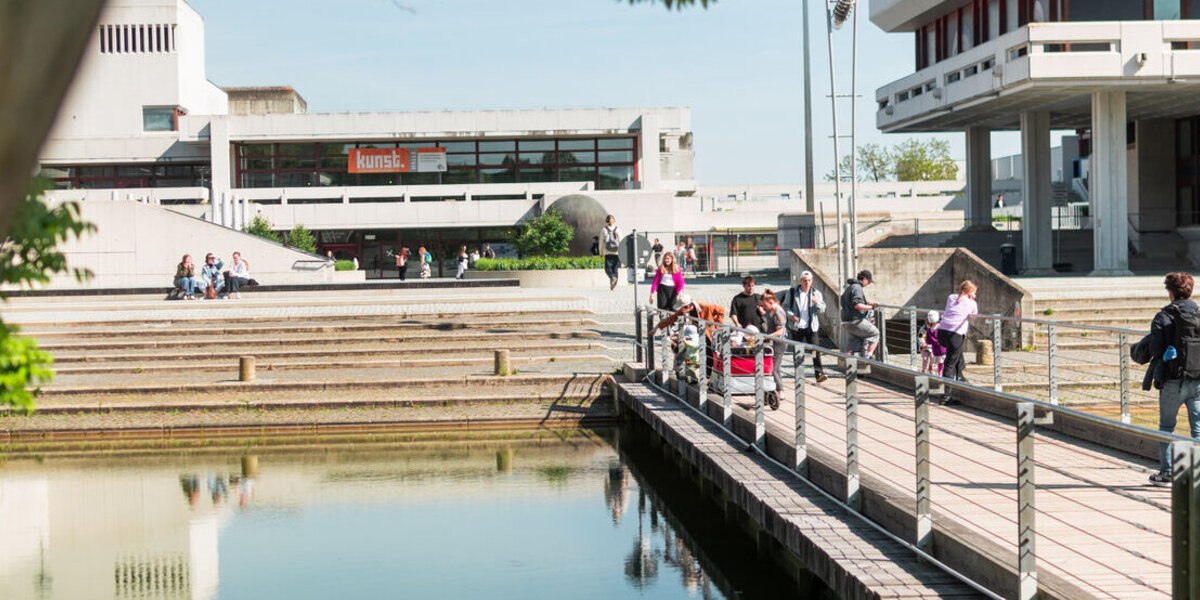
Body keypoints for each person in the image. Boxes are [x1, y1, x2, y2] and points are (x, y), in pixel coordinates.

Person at [1148, 272, 1200, 487]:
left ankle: (1167, 474)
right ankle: (1197, 474)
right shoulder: (1198, 314)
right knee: (1197, 428)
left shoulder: (1163, 317)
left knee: (1167, 427)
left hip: (1171, 380)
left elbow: (1155, 349)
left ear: (1170, 292)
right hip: (1197, 379)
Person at [780, 270, 828, 383]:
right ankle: (799, 375)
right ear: (800, 281)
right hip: (797, 326)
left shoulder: (816, 293)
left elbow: (822, 309)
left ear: (812, 281)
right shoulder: (792, 292)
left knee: (816, 350)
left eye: (809, 280)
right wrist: (792, 316)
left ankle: (819, 373)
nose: (807, 283)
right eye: (804, 280)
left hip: (812, 326)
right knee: (797, 351)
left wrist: (817, 303)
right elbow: (785, 306)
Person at [937, 280, 978, 405]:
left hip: (942, 332)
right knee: (949, 363)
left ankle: (960, 376)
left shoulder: (951, 297)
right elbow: (974, 316)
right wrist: (972, 298)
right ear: (970, 292)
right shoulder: (972, 303)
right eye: (974, 292)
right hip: (955, 334)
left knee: (957, 353)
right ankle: (946, 397)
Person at [651, 293, 726, 349]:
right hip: (695, 335)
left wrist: (716, 327)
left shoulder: (705, 306)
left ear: (689, 306)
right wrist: (656, 328)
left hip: (707, 335)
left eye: (682, 308)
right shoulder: (683, 311)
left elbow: (721, 310)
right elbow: (670, 319)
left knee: (708, 356)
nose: (680, 310)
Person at [840, 270, 880, 358]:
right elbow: (857, 305)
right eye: (869, 281)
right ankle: (867, 357)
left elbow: (851, 302)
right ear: (864, 279)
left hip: (846, 321)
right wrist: (872, 307)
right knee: (875, 333)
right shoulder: (857, 288)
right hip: (855, 320)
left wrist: (866, 304)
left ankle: (849, 365)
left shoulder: (850, 287)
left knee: (853, 344)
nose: (868, 283)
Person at [760, 290, 787, 393]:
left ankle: (780, 390)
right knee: (774, 367)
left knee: (774, 368)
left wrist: (765, 337)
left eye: (764, 305)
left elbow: (781, 330)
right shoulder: (773, 310)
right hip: (775, 342)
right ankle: (776, 389)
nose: (764, 308)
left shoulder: (778, 312)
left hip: (780, 343)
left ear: (770, 302)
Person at [920, 310, 947, 375]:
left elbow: (928, 341)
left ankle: (939, 373)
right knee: (943, 362)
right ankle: (941, 373)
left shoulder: (929, 331)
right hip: (943, 348)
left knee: (938, 363)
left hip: (935, 351)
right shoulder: (940, 328)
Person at [601, 215, 621, 290]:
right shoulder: (618, 229)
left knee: (607, 269)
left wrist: (601, 252)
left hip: (607, 252)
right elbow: (621, 241)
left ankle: (612, 279)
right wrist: (622, 252)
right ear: (614, 221)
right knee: (615, 269)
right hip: (616, 252)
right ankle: (613, 284)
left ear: (607, 221)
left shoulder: (604, 230)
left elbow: (601, 242)